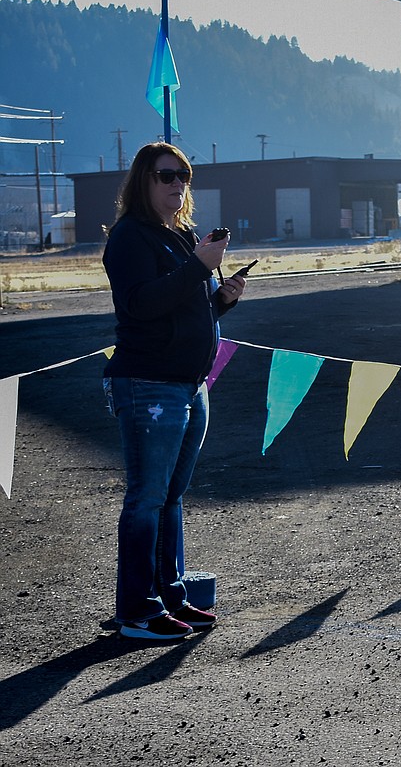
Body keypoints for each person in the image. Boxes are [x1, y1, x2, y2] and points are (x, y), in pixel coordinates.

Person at [102, 142, 247, 640]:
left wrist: (220, 300)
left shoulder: (182, 237)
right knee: (146, 499)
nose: (177, 185)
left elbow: (188, 309)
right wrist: (201, 268)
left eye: (183, 177)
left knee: (171, 498)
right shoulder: (129, 238)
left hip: (189, 383)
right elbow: (141, 305)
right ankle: (137, 612)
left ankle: (170, 598)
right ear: (143, 181)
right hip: (148, 385)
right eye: (166, 176)